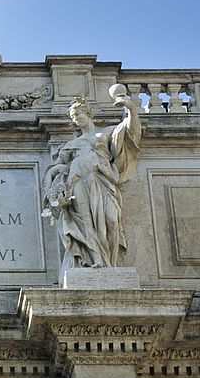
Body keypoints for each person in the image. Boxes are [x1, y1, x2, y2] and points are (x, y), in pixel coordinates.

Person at [42, 93, 141, 270]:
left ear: (88, 113)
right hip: (78, 181)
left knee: (111, 219)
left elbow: (132, 133)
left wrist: (131, 109)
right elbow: (55, 168)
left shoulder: (107, 132)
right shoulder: (72, 144)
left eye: (78, 114)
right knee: (85, 222)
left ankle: (110, 262)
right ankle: (96, 259)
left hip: (102, 179)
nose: (76, 119)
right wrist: (55, 184)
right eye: (73, 117)